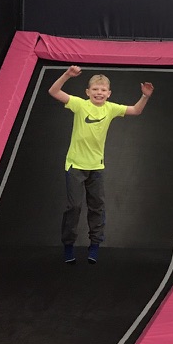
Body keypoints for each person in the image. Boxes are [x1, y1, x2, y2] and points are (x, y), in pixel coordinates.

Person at [48, 66, 153, 264]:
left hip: (96, 167)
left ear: (109, 93)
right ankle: (69, 245)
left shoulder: (110, 108)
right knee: (74, 207)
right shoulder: (79, 105)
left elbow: (136, 110)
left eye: (103, 90)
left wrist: (145, 96)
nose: (99, 93)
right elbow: (54, 91)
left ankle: (94, 245)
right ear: (88, 92)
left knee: (97, 207)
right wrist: (67, 75)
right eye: (95, 89)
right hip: (75, 165)